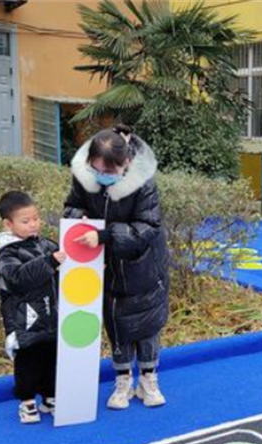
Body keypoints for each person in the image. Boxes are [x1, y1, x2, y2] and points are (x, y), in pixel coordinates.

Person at [64, 124, 170, 410]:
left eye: (110, 172)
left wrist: (105, 235)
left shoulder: (143, 182)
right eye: (98, 170)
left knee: (147, 323)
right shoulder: (84, 178)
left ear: (127, 164)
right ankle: (123, 379)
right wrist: (80, 217)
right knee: (116, 321)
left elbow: (147, 226)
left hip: (143, 263)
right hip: (104, 266)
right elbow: (70, 207)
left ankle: (148, 378)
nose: (104, 177)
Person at [0, 191, 66, 424]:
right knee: (28, 361)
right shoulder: (8, 253)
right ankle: (27, 402)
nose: (33, 225)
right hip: (25, 319)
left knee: (51, 358)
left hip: (51, 316)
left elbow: (65, 265)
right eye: (25, 221)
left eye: (36, 218)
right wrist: (49, 262)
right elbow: (17, 278)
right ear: (8, 224)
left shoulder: (46, 244)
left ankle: (50, 397)